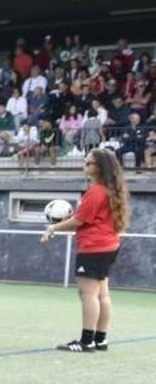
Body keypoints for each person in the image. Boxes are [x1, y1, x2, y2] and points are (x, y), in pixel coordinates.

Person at [41, 146, 129, 352]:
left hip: (94, 248)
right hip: (109, 246)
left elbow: (79, 220)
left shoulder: (96, 192)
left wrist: (53, 227)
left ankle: (86, 341)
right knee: (102, 295)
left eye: (88, 163)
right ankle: (100, 339)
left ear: (99, 168)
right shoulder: (111, 190)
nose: (84, 165)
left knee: (88, 294)